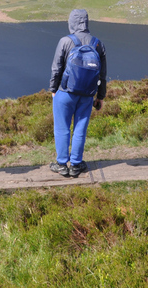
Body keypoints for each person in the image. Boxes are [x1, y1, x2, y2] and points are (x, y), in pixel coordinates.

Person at [49, 9, 107, 178]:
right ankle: (76, 165)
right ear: (86, 22)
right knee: (80, 128)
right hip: (87, 95)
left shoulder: (65, 41)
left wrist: (53, 90)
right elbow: (102, 75)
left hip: (65, 92)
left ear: (72, 22)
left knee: (62, 128)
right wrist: (101, 97)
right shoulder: (98, 43)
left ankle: (61, 165)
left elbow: (56, 68)